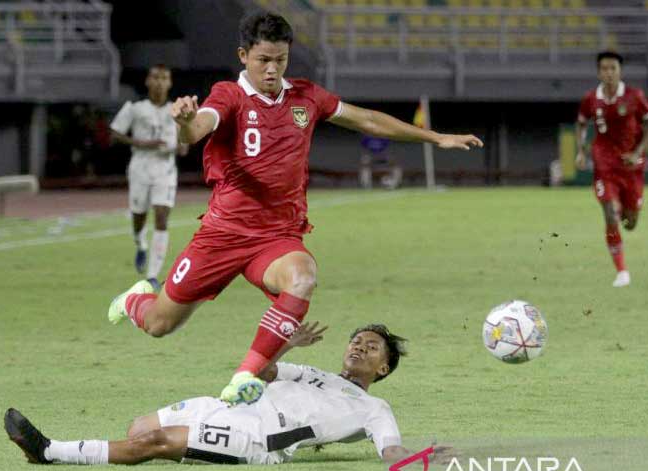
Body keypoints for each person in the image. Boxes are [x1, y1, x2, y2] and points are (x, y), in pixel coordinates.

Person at [108, 12, 483, 405]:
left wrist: (435, 137)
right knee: (159, 325)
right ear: (243, 55)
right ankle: (136, 298)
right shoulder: (229, 95)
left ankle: (244, 376)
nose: (271, 70)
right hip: (222, 235)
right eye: (263, 60)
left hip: (276, 237)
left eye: (280, 61)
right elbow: (199, 127)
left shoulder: (307, 97)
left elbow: (367, 119)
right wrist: (184, 124)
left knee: (302, 277)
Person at [5, 322, 454, 466]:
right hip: (230, 408)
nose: (359, 346)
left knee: (153, 444)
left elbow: (390, 450)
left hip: (259, 440)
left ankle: (49, 452)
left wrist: (427, 456)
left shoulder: (374, 406)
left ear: (384, 367)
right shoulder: (312, 373)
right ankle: (96, 451)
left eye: (371, 347)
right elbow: (265, 368)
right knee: (139, 429)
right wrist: (287, 344)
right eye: (357, 340)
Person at [576, 51, 648, 288]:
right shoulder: (591, 99)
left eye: (613, 68)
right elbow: (581, 123)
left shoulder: (634, 96)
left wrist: (639, 151)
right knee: (611, 214)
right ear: (598, 71)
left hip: (632, 166)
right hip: (605, 164)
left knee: (630, 222)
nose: (608, 73)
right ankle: (622, 271)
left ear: (620, 71)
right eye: (604, 68)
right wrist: (581, 151)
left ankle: (627, 210)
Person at [110, 65, 186, 289]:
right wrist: (140, 143)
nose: (160, 82)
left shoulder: (177, 109)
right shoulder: (135, 108)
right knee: (139, 216)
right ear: (147, 81)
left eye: (164, 78)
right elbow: (115, 131)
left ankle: (152, 275)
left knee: (161, 218)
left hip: (165, 170)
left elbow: (185, 140)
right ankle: (140, 243)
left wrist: (181, 146)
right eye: (156, 77)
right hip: (140, 168)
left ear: (170, 83)